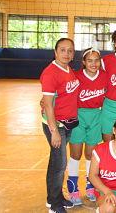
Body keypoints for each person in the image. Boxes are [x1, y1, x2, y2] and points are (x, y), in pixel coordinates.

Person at [40, 38, 80, 213]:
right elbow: (48, 104)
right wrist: (54, 131)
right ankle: (55, 205)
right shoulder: (50, 72)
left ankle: (53, 198)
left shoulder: (68, 69)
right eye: (62, 50)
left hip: (68, 122)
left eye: (70, 50)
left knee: (55, 163)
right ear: (55, 52)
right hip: (56, 125)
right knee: (60, 164)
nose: (66, 53)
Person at [66, 48, 107, 205]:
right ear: (83, 62)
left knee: (91, 154)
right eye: (89, 60)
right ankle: (73, 188)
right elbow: (63, 92)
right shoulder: (75, 76)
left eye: (96, 60)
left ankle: (91, 185)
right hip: (78, 116)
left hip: (97, 116)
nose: (93, 63)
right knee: (76, 154)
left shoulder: (104, 76)